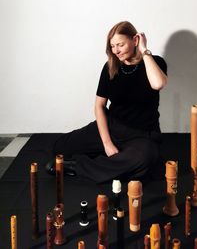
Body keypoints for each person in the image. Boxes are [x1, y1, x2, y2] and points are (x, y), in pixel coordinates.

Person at [46, 21, 168, 183]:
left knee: (144, 159)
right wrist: (107, 143)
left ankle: (75, 167)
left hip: (142, 135)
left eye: (120, 45)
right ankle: (113, 162)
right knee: (59, 147)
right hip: (112, 128)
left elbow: (158, 84)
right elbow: (99, 106)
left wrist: (145, 51)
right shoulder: (110, 67)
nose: (116, 50)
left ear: (135, 40)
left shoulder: (155, 62)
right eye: (112, 46)